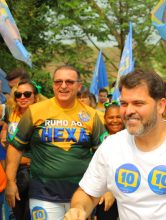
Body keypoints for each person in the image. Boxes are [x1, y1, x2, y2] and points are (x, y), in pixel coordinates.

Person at [64, 70, 166, 220]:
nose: (128, 111)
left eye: (138, 103)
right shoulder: (111, 146)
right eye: (124, 103)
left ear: (161, 106)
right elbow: (87, 193)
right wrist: (78, 209)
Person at [5, 65, 106, 219]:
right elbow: (16, 147)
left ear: (79, 86)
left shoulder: (92, 116)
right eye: (58, 81)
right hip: (43, 193)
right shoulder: (35, 111)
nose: (63, 86)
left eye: (69, 82)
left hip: (83, 195)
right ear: (53, 85)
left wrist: (106, 188)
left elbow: (104, 155)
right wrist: (10, 182)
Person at [1, 79, 46, 220]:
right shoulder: (11, 112)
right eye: (18, 95)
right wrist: (4, 133)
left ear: (35, 97)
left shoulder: (43, 116)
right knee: (17, 214)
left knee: (32, 214)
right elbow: (7, 130)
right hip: (14, 173)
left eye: (27, 94)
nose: (22, 98)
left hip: (35, 172)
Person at [94, 102, 123, 220]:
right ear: (105, 119)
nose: (115, 120)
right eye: (111, 117)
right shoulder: (98, 139)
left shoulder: (133, 137)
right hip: (103, 193)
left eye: (118, 117)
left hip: (125, 190)